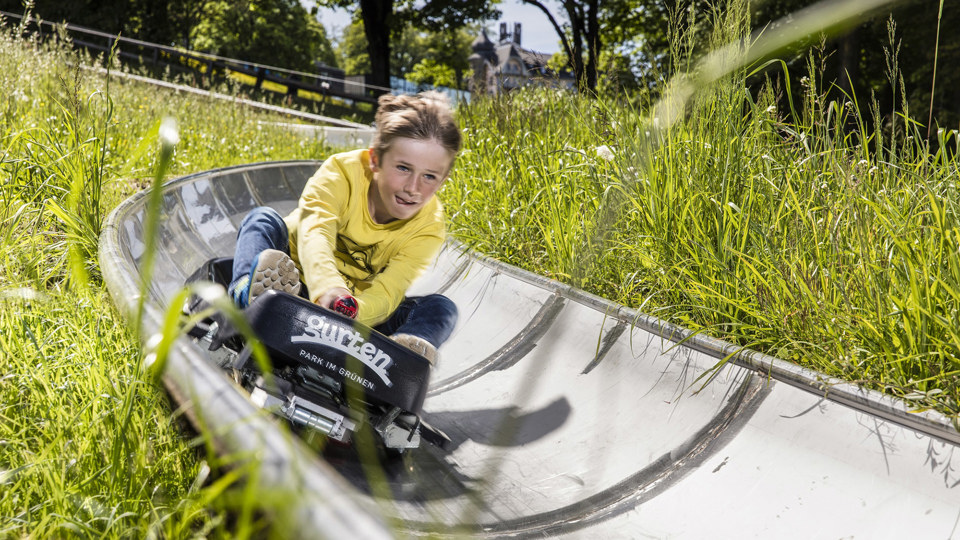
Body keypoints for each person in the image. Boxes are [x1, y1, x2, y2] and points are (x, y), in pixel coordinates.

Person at [226, 91, 460, 366]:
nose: (413, 188)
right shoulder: (341, 172)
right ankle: (247, 296)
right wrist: (328, 289)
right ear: (375, 161)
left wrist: (353, 310)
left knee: (442, 308)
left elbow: (390, 289)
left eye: (429, 177)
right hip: (292, 285)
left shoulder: (429, 225)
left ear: (442, 180)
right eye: (403, 168)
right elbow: (316, 235)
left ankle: (401, 361)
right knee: (262, 219)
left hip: (354, 313)